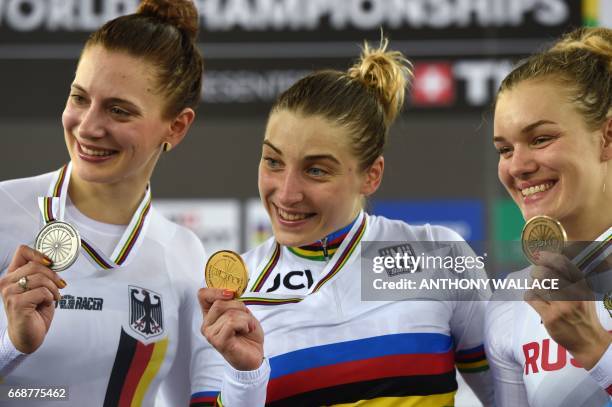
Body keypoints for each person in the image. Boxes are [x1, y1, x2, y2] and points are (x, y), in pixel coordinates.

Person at [197, 38, 494, 405]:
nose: (286, 193)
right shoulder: (231, 296)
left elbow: (508, 398)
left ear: (371, 176)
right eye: (273, 161)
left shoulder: (435, 255)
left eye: (316, 170)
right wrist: (246, 377)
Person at [0, 1, 267, 406]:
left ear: (176, 127)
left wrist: (246, 376)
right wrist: (12, 345)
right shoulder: (4, 211)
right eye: (79, 98)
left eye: (119, 110)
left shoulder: (183, 255)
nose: (88, 127)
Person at [486, 27, 612, 406]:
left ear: (606, 138)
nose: (518, 166)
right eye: (505, 149)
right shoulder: (511, 302)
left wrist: (596, 349)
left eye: (540, 139)